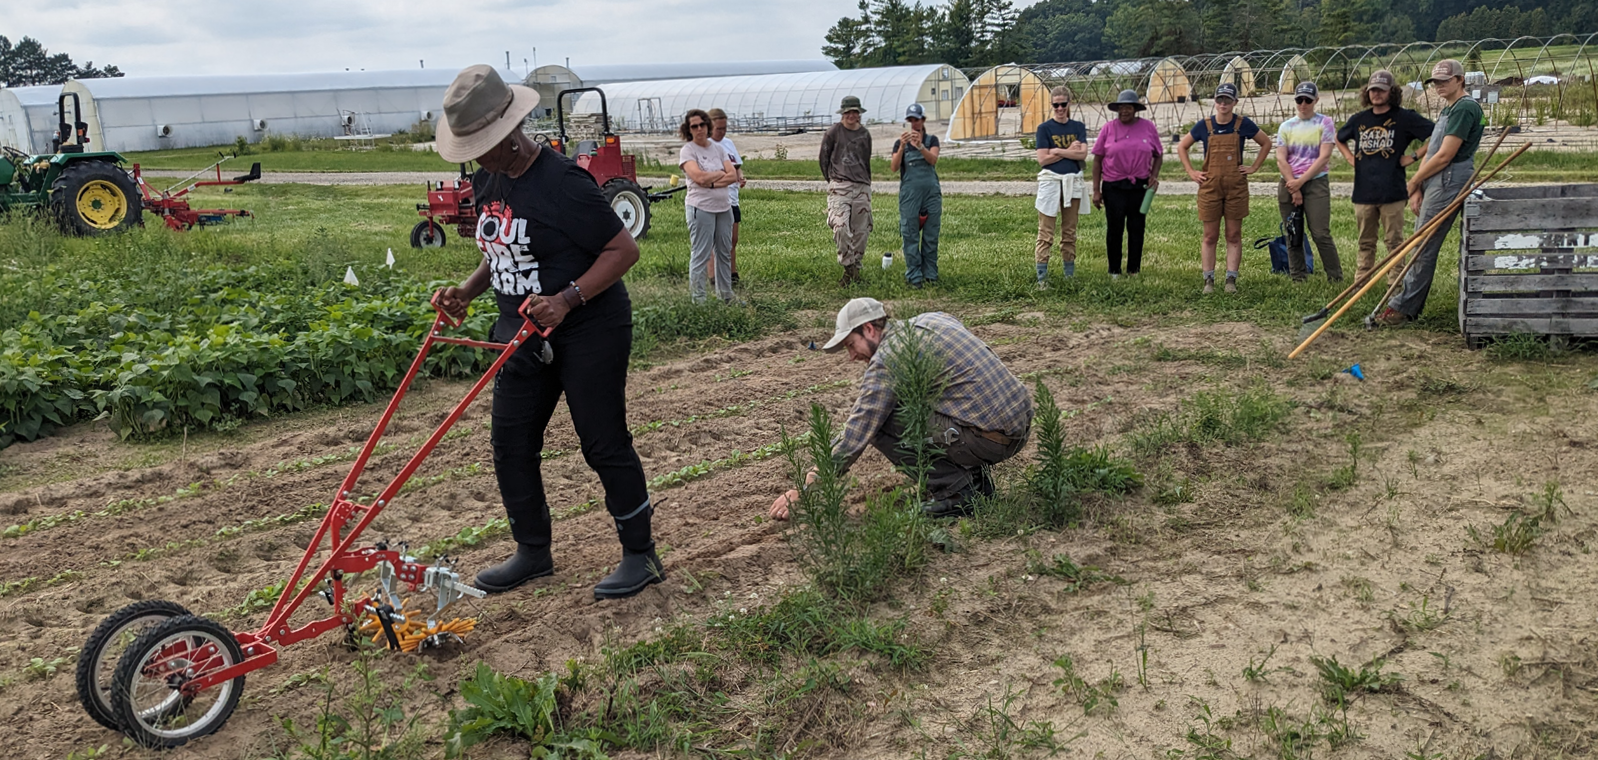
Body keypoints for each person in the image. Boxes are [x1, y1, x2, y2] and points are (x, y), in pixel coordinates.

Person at [430, 65, 661, 600]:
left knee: (602, 442)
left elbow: (624, 250)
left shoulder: (563, 183)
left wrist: (566, 299)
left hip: (589, 329)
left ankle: (640, 555)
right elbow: (502, 248)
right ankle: (533, 552)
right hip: (520, 332)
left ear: (512, 136)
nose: (477, 157)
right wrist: (465, 291)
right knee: (510, 443)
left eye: (484, 144)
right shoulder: (488, 177)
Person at [768, 298, 1034, 520]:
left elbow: (859, 429)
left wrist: (808, 486)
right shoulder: (933, 319)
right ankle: (975, 481)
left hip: (989, 438)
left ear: (870, 329)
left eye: (851, 344)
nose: (851, 356)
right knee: (911, 402)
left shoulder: (889, 357)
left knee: (884, 421)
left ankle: (956, 494)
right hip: (1017, 425)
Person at [1375, 59, 1484, 326]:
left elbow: (1445, 156)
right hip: (1436, 178)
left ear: (1460, 80)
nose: (1439, 86)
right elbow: (1432, 149)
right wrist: (1419, 187)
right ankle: (1406, 302)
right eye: (1435, 82)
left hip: (1449, 178)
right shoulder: (1450, 109)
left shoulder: (1465, 109)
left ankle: (1404, 308)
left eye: (1445, 81)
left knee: (1423, 244)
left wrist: (1413, 182)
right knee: (1419, 239)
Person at [1334, 70, 1435, 285]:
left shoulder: (1404, 118)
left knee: (1394, 241)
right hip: (1363, 192)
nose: (1376, 94)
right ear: (1367, 93)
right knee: (1365, 241)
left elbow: (1436, 134)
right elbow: (1339, 137)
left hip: (1393, 191)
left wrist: (1414, 156)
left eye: (1381, 90)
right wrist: (1349, 157)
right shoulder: (1360, 119)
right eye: (1373, 90)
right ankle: (1361, 282)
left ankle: (1395, 283)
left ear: (1391, 92)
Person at [1176, 82, 1272, 294]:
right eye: (1220, 99)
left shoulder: (1243, 124)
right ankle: (1208, 280)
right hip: (1210, 187)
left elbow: (1266, 143)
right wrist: (1192, 172)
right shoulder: (1204, 126)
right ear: (1215, 101)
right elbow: (1182, 146)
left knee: (1233, 234)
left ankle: (1231, 279)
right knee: (1210, 235)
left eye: (1228, 100)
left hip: (1235, 187)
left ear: (1235, 102)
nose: (1223, 103)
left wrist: (1254, 167)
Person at [1275, 82, 1344, 282]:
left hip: (1316, 183)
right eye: (1299, 100)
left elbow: (1324, 157)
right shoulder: (1286, 126)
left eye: (1307, 100)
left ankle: (1335, 277)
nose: (1303, 104)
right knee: (1293, 232)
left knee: (1320, 233)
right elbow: (1281, 158)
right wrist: (1293, 185)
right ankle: (1298, 276)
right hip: (1288, 183)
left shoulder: (1325, 123)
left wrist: (1301, 181)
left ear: (1316, 101)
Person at [1091, 89, 1163, 279]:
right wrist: (1096, 190)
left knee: (1137, 227)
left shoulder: (1148, 128)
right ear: (1117, 109)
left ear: (1135, 109)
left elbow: (1159, 154)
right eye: (1121, 107)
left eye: (1128, 107)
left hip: (1140, 186)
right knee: (1114, 228)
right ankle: (1114, 270)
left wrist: (1153, 176)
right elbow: (1097, 160)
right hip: (1113, 185)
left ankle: (1134, 270)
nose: (1125, 111)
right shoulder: (1108, 128)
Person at [678, 108, 740, 303]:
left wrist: (712, 181)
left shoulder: (719, 148)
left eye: (702, 125)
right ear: (689, 130)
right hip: (701, 208)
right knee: (701, 253)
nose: (699, 129)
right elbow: (698, 177)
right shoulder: (688, 151)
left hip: (723, 207)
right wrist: (718, 175)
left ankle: (726, 295)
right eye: (694, 126)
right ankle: (699, 300)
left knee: (724, 251)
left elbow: (733, 175)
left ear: (707, 125)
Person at [1033, 85, 1090, 289]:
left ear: (1069, 104)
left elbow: (1082, 154)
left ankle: (1069, 274)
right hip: (1051, 181)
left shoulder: (1078, 127)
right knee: (1046, 231)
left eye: (1062, 104)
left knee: (1069, 231)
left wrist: (1055, 151)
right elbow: (1043, 160)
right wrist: (1066, 150)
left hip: (1072, 180)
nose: (1059, 108)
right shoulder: (1044, 129)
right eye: (1055, 105)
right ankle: (1042, 277)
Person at [819, 95, 872, 286]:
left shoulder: (865, 134)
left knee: (861, 232)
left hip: (861, 186)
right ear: (843, 114)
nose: (851, 115)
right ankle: (848, 265)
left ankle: (855, 270)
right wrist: (833, 180)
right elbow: (823, 158)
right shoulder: (833, 132)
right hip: (840, 185)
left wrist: (866, 184)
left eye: (855, 112)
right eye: (848, 112)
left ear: (859, 114)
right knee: (840, 227)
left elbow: (866, 160)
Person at [891, 103, 942, 288]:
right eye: (911, 120)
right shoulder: (900, 144)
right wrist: (903, 146)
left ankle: (930, 274)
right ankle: (914, 276)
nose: (914, 123)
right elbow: (894, 167)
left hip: (930, 193)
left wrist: (920, 146)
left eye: (917, 119)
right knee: (910, 234)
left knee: (930, 235)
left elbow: (933, 160)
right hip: (909, 195)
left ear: (923, 120)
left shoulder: (932, 140)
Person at [708, 108, 747, 284]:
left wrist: (740, 176)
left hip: (732, 197)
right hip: (714, 198)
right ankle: (714, 276)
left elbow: (737, 165)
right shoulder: (705, 145)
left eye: (724, 128)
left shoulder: (728, 143)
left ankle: (732, 273)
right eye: (719, 129)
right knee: (716, 240)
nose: (722, 132)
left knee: (732, 239)